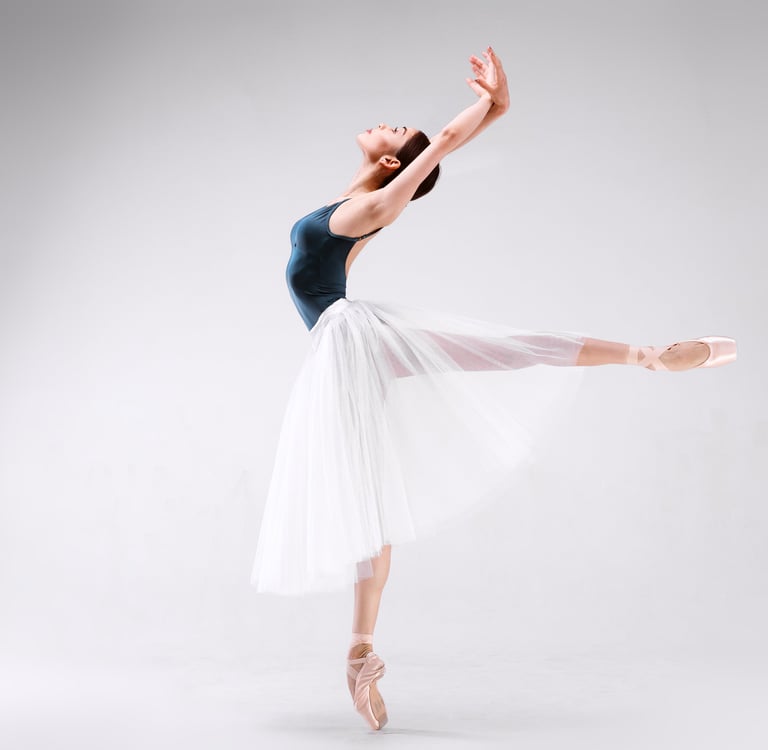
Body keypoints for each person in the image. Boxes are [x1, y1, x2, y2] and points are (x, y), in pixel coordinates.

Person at [250, 47, 737, 731]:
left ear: (395, 166)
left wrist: (491, 106)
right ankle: (645, 355)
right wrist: (400, 162)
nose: (388, 125)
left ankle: (361, 650)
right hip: (348, 345)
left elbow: (440, 143)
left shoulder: (378, 202)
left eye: (393, 133)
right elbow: (354, 228)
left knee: (485, 371)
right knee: (397, 467)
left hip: (347, 341)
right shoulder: (355, 206)